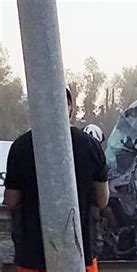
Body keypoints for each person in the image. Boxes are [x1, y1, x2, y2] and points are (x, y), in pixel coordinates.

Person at [2, 89, 109, 272]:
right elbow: (102, 200)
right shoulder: (90, 146)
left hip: (32, 254)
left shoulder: (21, 147)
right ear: (70, 109)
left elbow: (11, 201)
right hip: (80, 252)